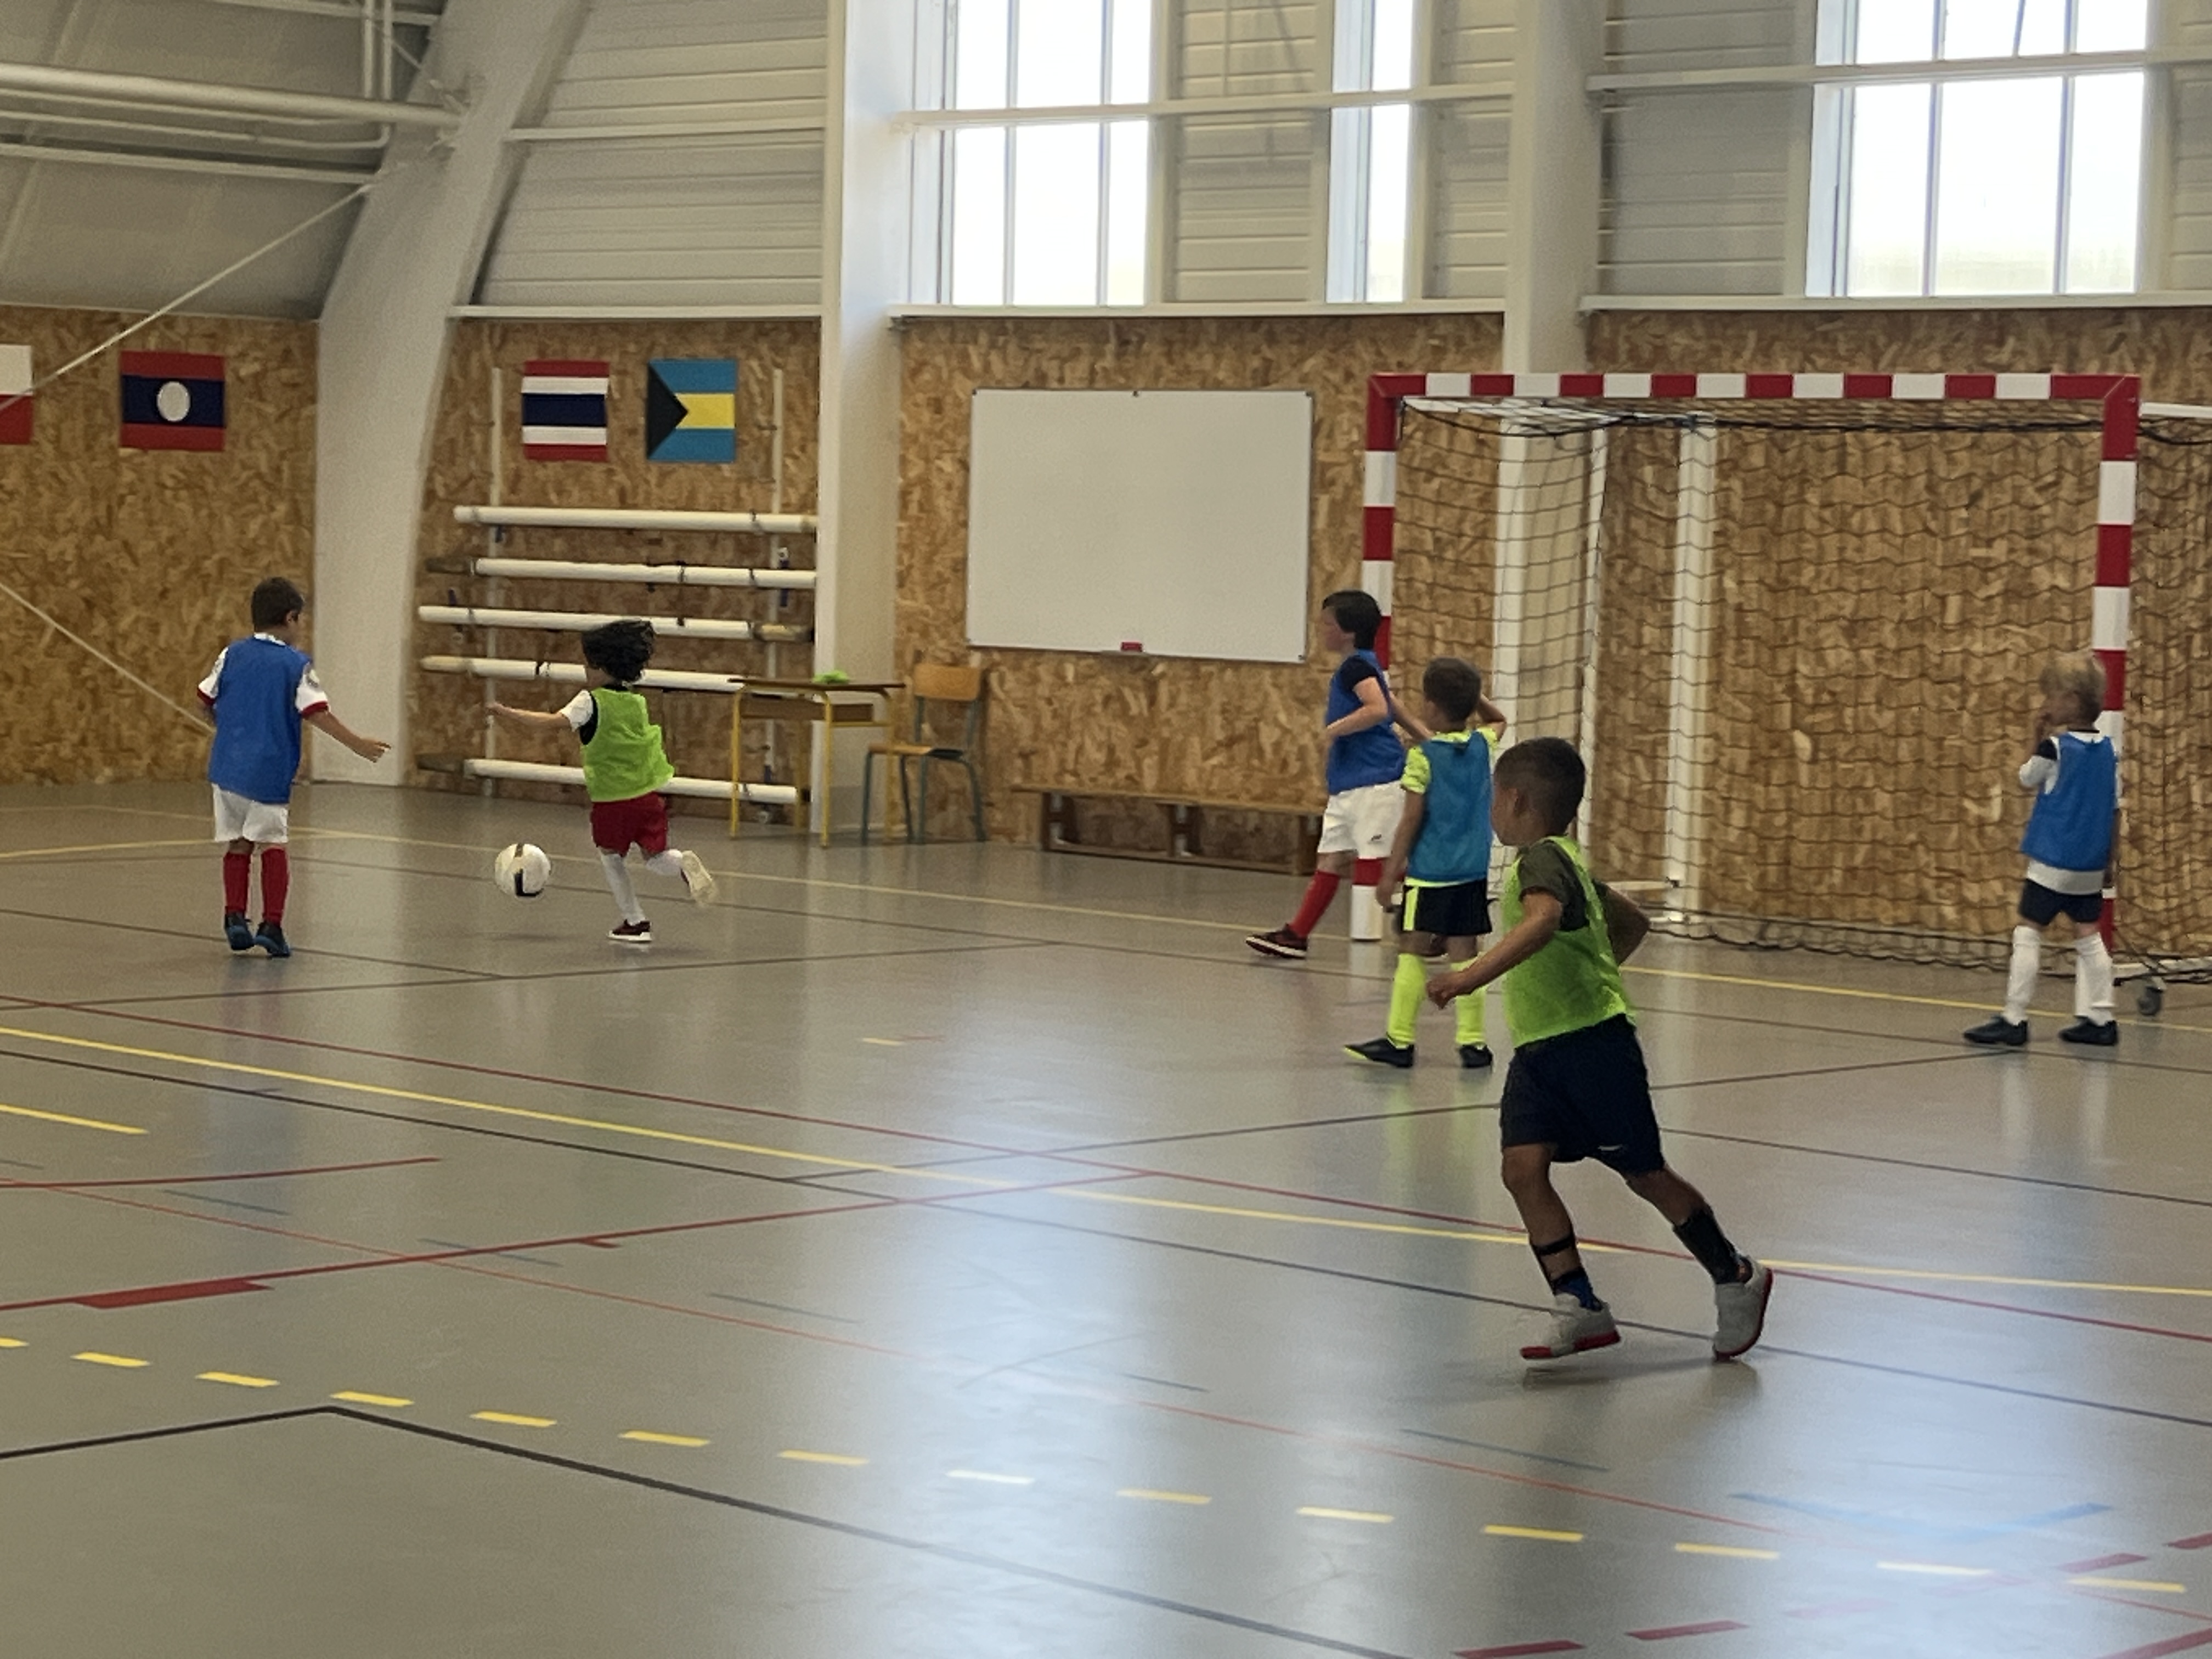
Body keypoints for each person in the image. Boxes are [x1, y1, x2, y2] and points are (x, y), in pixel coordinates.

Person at [1427, 737, 1771, 1363]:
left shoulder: (1542, 861)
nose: (1491, 811)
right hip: (1540, 1052)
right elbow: (1633, 920)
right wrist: (1595, 967)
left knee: (1645, 1174)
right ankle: (1579, 1302)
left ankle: (1736, 1274)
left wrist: (1466, 978)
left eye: (1493, 800)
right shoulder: (1565, 863)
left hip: (1593, 1047)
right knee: (1521, 1169)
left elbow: (1541, 922)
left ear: (1515, 799)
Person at [489, 619, 716, 944]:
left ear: (600, 667)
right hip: (647, 796)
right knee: (655, 858)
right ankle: (682, 864)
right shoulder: (635, 701)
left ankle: (635, 922)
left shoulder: (589, 701)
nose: (585, 671)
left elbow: (552, 722)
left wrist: (507, 712)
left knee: (611, 857)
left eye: (588, 664)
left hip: (613, 799)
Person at [198, 577, 390, 958]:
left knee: (238, 843)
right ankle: (272, 925)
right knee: (273, 843)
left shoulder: (232, 654)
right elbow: (318, 713)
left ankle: (235, 917)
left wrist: (228, 728)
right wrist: (359, 745)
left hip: (227, 768)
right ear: (290, 618)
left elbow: (205, 699)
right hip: (268, 770)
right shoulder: (295, 665)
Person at [1345, 656, 1507, 1069]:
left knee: (1412, 950)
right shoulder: (1480, 746)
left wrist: (1389, 873)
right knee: (1465, 954)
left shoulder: (1423, 757)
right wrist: (1474, 697)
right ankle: (1473, 1043)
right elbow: (1498, 718)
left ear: (1432, 707)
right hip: (1471, 873)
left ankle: (1399, 1040)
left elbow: (1411, 820)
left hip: (1431, 874)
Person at [1247, 589, 1427, 960]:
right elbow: (1391, 703)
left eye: (1327, 623)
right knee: (1330, 859)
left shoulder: (1357, 667)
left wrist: (1334, 729)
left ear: (1347, 632)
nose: (1321, 628)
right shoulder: (1361, 665)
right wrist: (1427, 736)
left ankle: (1433, 928)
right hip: (1348, 784)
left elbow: (1378, 709)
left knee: (1382, 864)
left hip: (1375, 780)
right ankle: (1297, 935)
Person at [1964, 652, 2119, 1048]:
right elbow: (2115, 809)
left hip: (2053, 860)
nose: (2046, 703)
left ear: (2071, 700)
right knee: (2089, 936)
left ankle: (2014, 1017)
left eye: (2051, 696)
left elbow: (2026, 778)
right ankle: (2102, 1017)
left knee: (2028, 931)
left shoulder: (2055, 748)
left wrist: (2036, 736)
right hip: (2089, 863)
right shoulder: (2109, 751)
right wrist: (2110, 861)